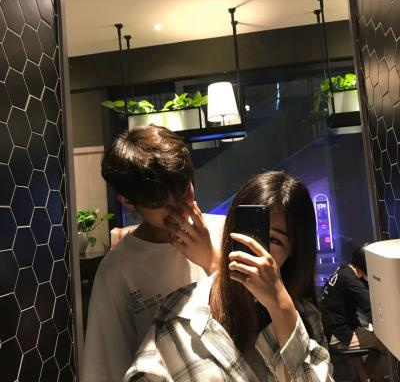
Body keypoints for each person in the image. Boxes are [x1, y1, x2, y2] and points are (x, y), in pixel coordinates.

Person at [123, 170, 333, 382]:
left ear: (293, 253)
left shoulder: (305, 316)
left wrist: (281, 307)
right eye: (248, 234)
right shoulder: (182, 311)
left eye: (275, 240)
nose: (259, 250)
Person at [81, 125, 225, 382]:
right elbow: (106, 368)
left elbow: (258, 326)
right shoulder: (118, 268)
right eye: (162, 203)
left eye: (184, 191)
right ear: (128, 201)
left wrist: (211, 261)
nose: (180, 208)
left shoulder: (224, 231)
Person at [320, 244, 388, 381]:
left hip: (333, 330)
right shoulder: (349, 278)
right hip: (341, 334)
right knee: (388, 345)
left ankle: (365, 378)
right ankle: (371, 379)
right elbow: (371, 304)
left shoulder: (343, 271)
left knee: (376, 338)